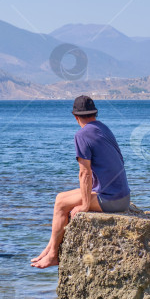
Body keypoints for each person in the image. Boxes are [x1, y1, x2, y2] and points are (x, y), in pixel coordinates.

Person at [31, 95, 131, 269]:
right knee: (60, 197)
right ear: (95, 113)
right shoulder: (104, 128)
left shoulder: (82, 135)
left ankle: (54, 255)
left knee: (61, 204)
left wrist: (85, 205)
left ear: (75, 116)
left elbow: (85, 173)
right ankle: (50, 247)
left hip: (111, 200)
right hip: (121, 195)